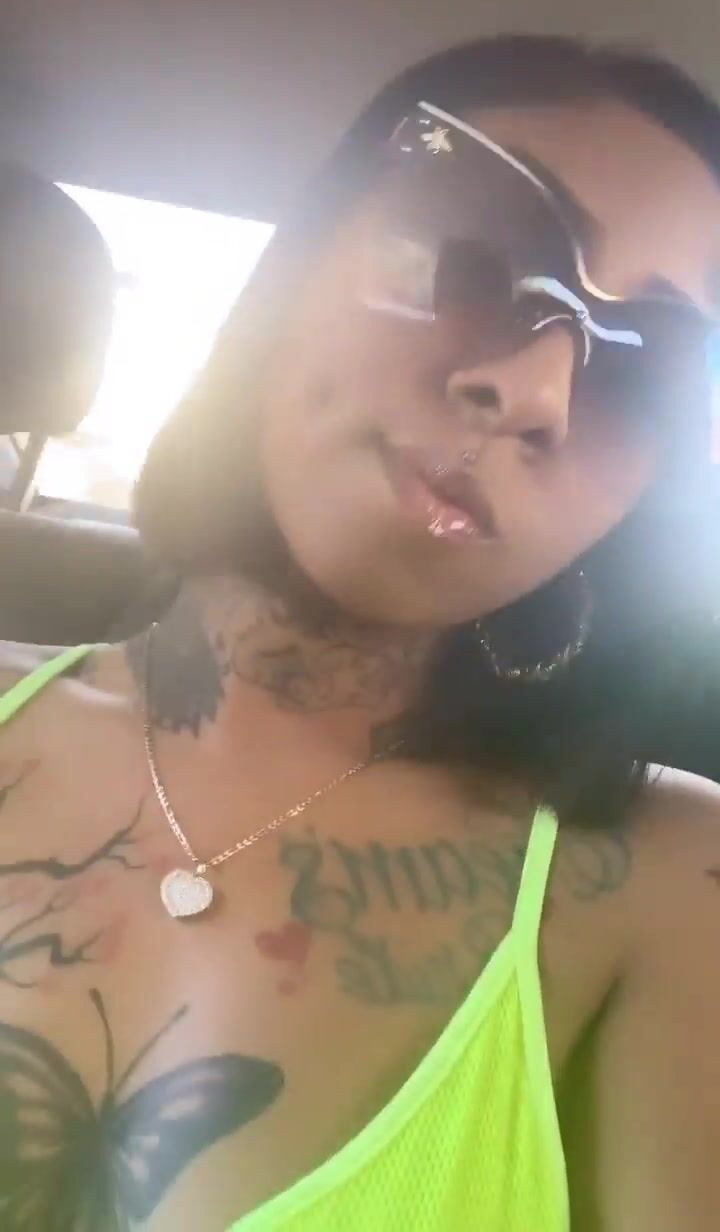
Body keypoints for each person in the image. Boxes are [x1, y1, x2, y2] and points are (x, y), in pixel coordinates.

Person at [1, 33, 719, 1231]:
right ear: (298, 263)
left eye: (656, 370)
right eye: (480, 252)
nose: (534, 393)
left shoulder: (676, 887)